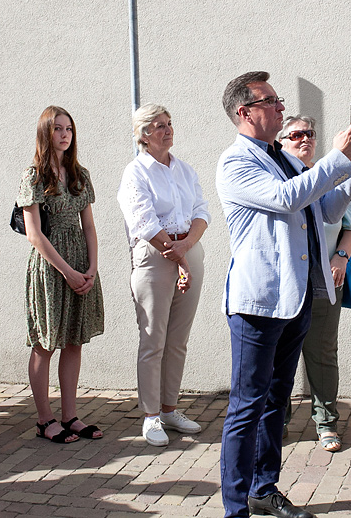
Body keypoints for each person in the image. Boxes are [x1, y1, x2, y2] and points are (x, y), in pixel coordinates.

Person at [216, 71, 351, 518]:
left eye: (280, 99)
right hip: (259, 303)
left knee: (276, 401)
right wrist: (336, 158)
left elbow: (327, 208)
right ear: (245, 112)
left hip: (296, 298)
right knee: (247, 408)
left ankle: (264, 490)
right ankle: (235, 508)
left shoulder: (282, 157)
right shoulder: (236, 161)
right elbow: (285, 199)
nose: (281, 107)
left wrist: (350, 163)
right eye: (271, 101)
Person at [117, 104, 210, 447]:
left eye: (169, 124)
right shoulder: (136, 172)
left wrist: (187, 248)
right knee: (153, 338)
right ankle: (151, 415)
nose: (167, 130)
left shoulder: (184, 170)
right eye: (158, 126)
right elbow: (143, 221)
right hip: (156, 256)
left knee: (178, 338)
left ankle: (170, 408)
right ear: (143, 135)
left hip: (188, 250)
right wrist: (174, 251)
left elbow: (201, 211)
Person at [17, 106, 104, 444]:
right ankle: (44, 419)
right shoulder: (34, 176)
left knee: (73, 341)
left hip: (81, 263)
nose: (65, 134)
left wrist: (91, 268)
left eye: (69, 128)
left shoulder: (80, 174)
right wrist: (67, 272)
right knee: (45, 343)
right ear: (45, 133)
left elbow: (90, 227)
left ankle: (70, 415)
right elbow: (34, 234)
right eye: (57, 128)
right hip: (51, 267)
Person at [277, 116, 351, 453]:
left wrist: (340, 256)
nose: (305, 139)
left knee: (322, 353)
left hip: (326, 279)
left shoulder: (330, 175)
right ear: (280, 142)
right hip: (286, 281)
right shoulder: (277, 180)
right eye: (295, 134)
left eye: (309, 134)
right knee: (278, 354)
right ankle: (277, 420)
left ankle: (326, 423)